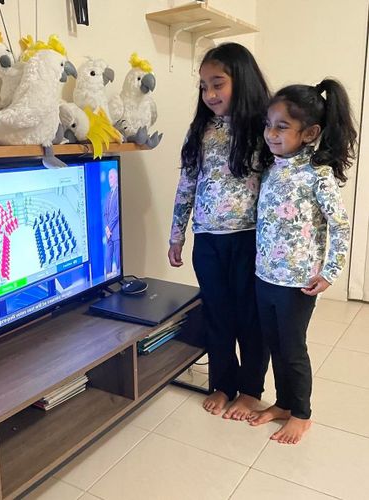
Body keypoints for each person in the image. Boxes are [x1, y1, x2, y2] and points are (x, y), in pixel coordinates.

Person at [248, 79, 355, 444]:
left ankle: (302, 414)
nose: (271, 134)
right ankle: (283, 403)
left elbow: (340, 227)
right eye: (268, 124)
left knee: (293, 349)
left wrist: (330, 272)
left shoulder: (318, 174)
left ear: (309, 133)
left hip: (298, 283)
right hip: (265, 276)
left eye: (282, 127)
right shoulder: (273, 167)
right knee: (274, 343)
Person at [168, 43, 270, 420]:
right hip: (208, 240)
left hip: (250, 240)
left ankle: (249, 389)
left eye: (218, 84)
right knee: (218, 314)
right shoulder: (200, 131)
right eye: (203, 86)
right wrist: (177, 234)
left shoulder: (264, 128)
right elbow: (187, 184)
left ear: (241, 81)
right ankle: (223, 384)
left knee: (250, 317)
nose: (209, 94)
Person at [104, 167, 120, 274]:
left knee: (118, 260)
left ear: (116, 178)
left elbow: (117, 213)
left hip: (116, 233)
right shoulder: (108, 195)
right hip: (109, 234)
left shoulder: (119, 193)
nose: (109, 180)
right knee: (107, 258)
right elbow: (105, 214)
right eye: (108, 178)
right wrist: (106, 228)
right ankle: (107, 277)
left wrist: (109, 227)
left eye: (111, 177)